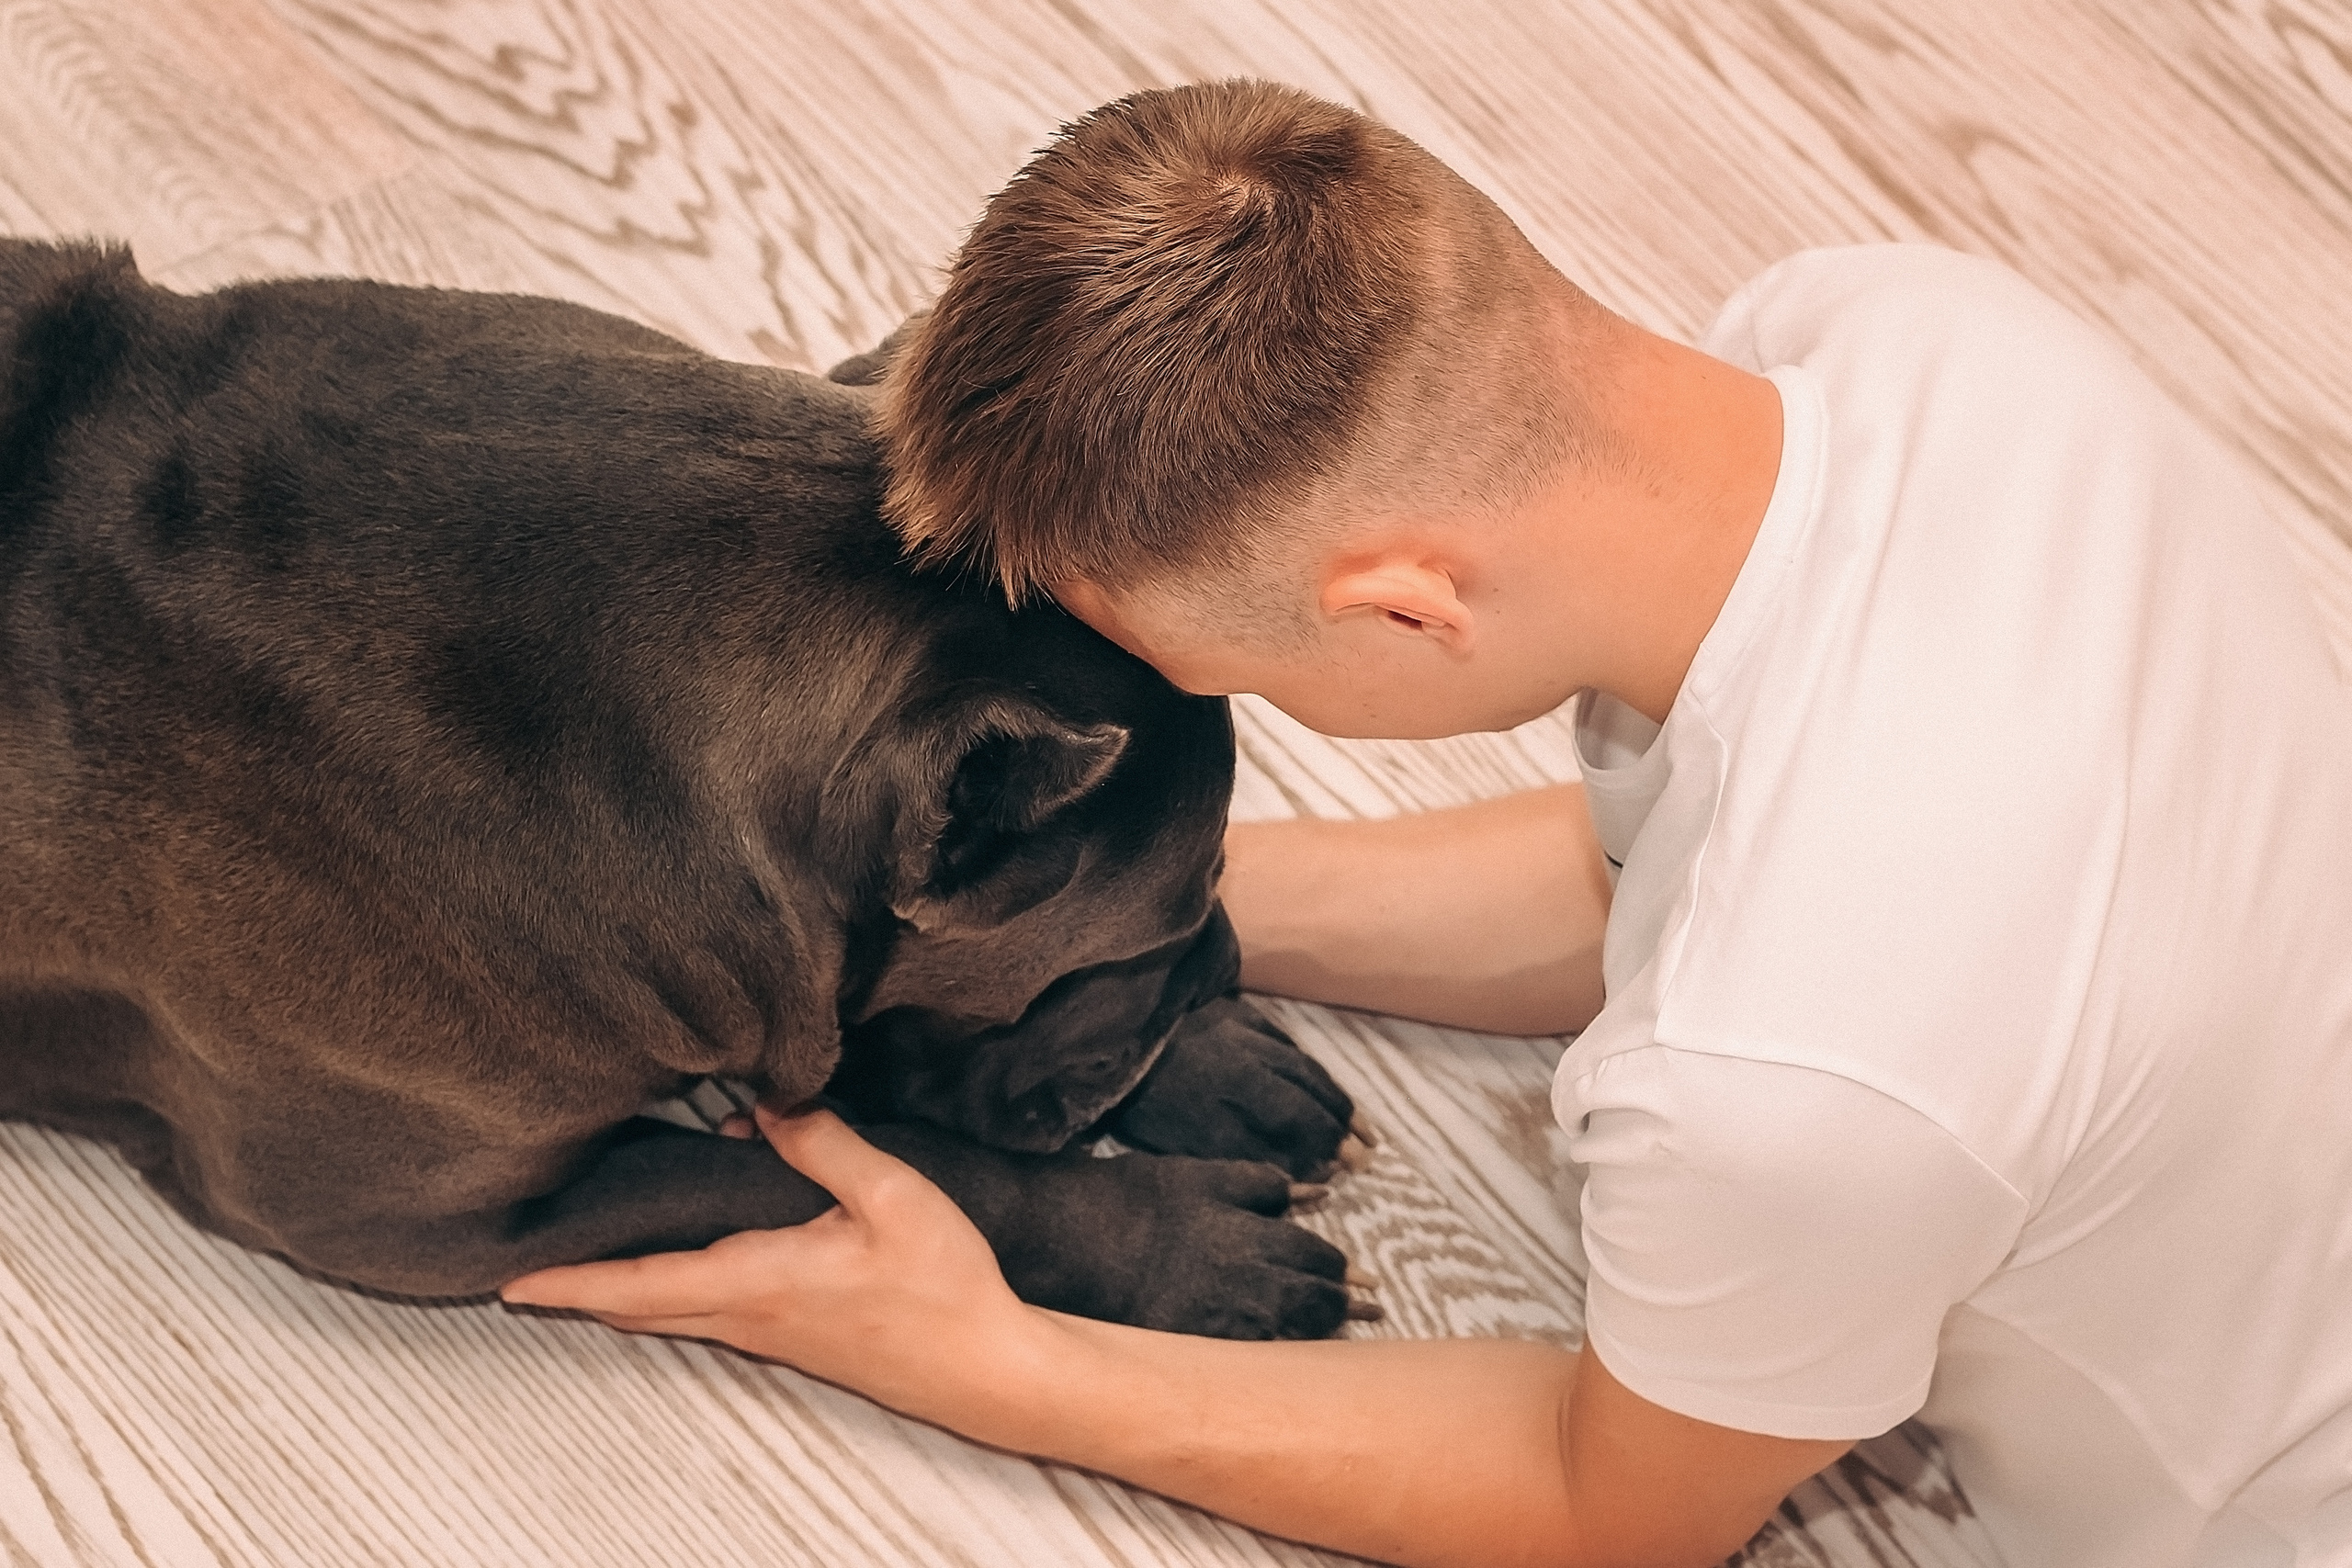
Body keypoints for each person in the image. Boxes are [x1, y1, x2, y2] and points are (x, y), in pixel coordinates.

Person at [502, 81, 2352, 1568]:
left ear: (1400, 604)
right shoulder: (1917, 344)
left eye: (1209, 667)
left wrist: (986, 1352)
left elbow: (1604, 1505)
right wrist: (1114, 917)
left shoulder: (1795, 1084)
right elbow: (1662, 867)